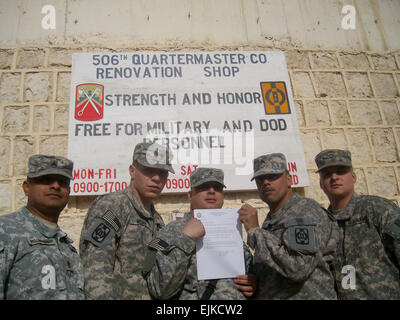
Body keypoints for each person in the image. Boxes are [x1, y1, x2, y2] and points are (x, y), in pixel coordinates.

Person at [79, 142, 174, 299]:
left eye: (162, 173)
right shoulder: (114, 206)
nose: (157, 178)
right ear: (132, 171)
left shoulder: (156, 220)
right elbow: (96, 268)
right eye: (149, 170)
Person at [144, 167, 256, 299]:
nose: (212, 191)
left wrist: (252, 282)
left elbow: (249, 273)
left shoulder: (232, 231)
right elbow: (159, 290)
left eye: (217, 188)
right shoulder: (170, 232)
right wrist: (185, 239)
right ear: (190, 195)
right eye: (204, 187)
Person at [238, 153, 338, 299]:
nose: (265, 182)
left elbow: (298, 268)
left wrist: (255, 231)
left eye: (273, 176)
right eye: (260, 179)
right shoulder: (272, 220)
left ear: (289, 179)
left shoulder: (304, 211)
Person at [315, 148, 400, 299]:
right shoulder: (323, 224)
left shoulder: (377, 209)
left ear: (353, 177)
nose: (334, 177)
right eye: (327, 175)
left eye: (341, 171)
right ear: (321, 184)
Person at [0, 154, 84, 300]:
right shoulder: (5, 231)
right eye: (45, 180)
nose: (55, 186)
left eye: (63, 182)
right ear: (27, 188)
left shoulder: (66, 246)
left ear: (69, 192)